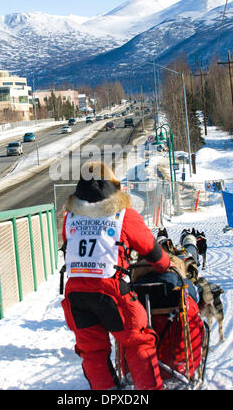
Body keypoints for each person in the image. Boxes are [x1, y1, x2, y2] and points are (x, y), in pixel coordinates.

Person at [61, 161, 171, 391]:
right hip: (110, 289)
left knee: (92, 351)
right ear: (113, 185)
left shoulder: (69, 217)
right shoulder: (123, 215)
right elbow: (149, 248)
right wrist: (165, 265)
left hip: (76, 294)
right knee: (138, 341)